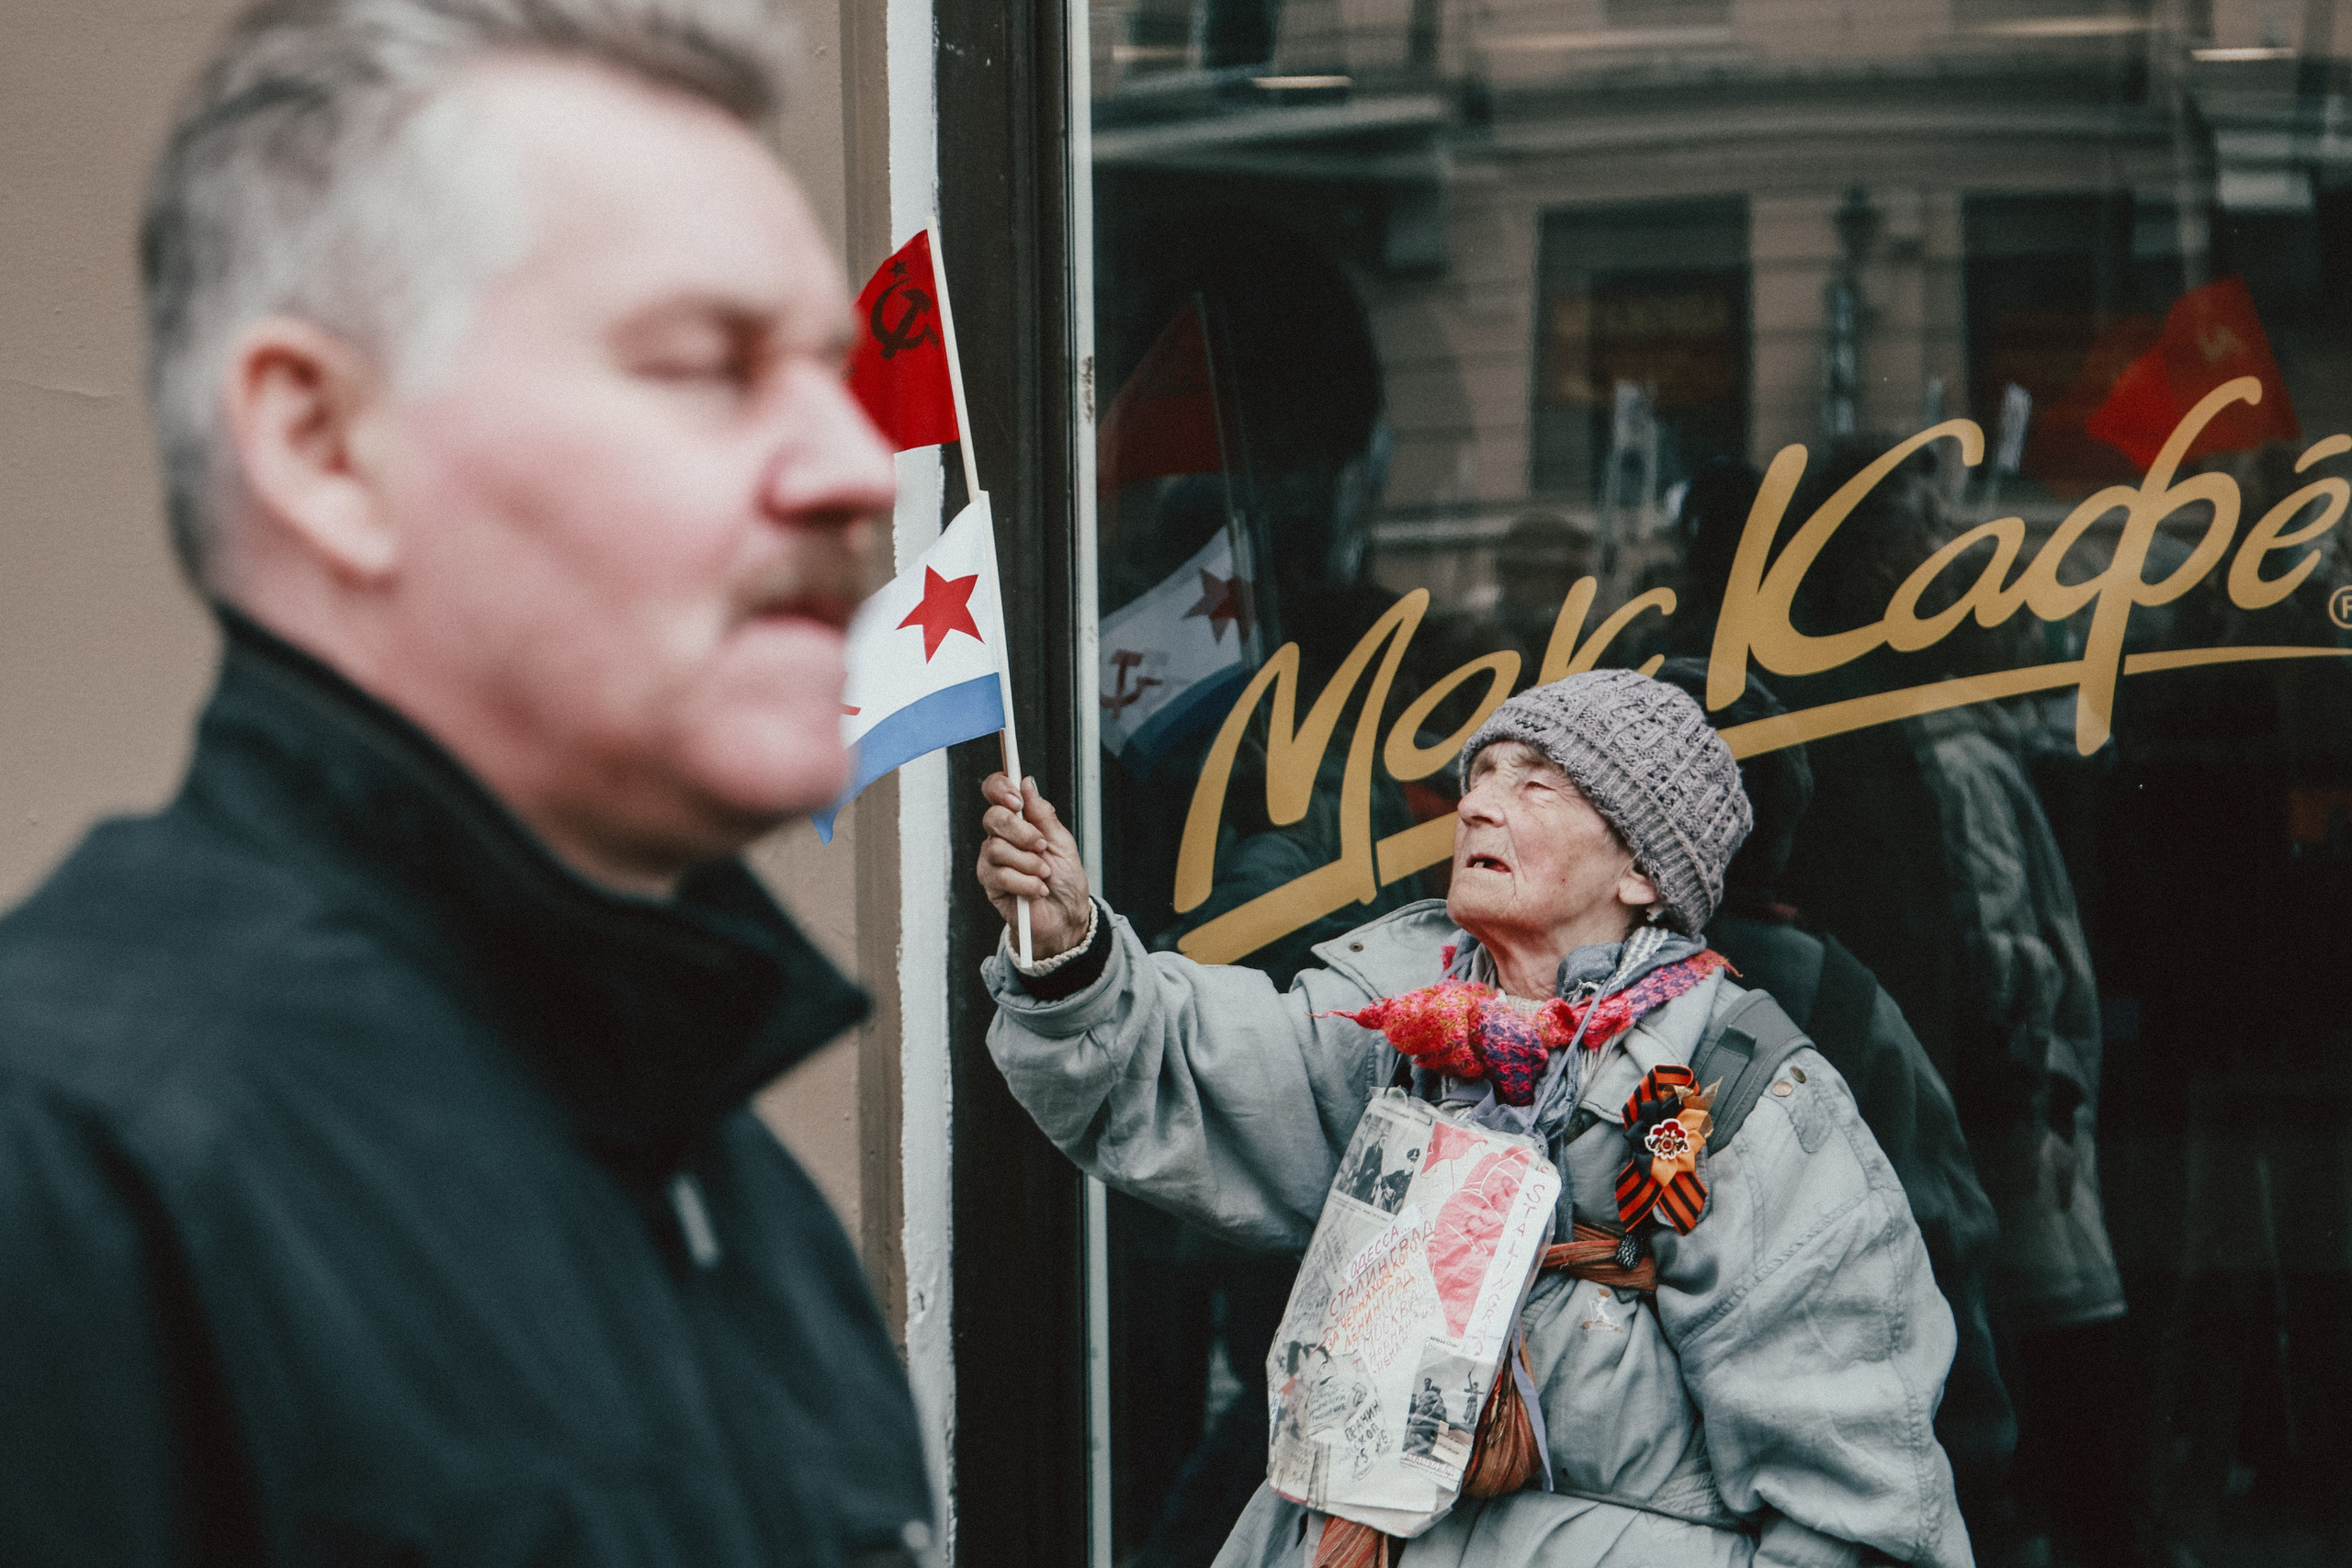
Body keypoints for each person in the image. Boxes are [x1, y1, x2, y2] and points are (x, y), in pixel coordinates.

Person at [0, 2, 931, 1563]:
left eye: (831, 373)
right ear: (323, 447)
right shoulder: (69, 1165)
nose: (851, 464)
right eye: (705, 364)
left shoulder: (724, 1173)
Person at [978, 669, 1972, 1568]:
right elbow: (1183, 1068)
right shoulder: (1397, 1028)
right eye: (1480, 774)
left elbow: (1855, 1507)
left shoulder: (1737, 1094)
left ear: (1641, 873)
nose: (1477, 804)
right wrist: (1071, 950)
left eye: (1534, 784)